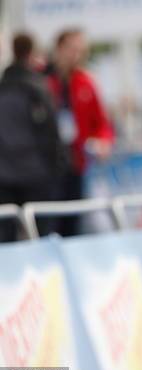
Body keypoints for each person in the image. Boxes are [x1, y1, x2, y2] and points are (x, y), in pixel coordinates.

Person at [45, 28, 114, 236]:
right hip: (46, 167)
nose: (76, 55)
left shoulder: (86, 82)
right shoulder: (42, 81)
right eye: (71, 49)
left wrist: (102, 142)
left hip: (77, 163)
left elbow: (102, 124)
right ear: (58, 49)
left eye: (80, 50)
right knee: (48, 223)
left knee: (74, 223)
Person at [0, 32, 65, 241]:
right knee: (40, 236)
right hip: (35, 176)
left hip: (5, 177)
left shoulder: (5, 87)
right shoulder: (38, 88)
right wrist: (58, 166)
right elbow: (50, 134)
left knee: (7, 238)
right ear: (31, 54)